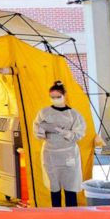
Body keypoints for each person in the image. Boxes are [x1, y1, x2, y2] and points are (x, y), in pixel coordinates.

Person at [33, 80, 87, 208]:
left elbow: (78, 133)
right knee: (54, 187)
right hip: (50, 154)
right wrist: (43, 130)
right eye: (53, 97)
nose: (55, 99)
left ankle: (72, 216)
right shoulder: (44, 112)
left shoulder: (74, 114)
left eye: (58, 97)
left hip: (69, 154)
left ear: (64, 95)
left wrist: (61, 131)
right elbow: (37, 130)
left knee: (70, 187)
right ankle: (56, 216)